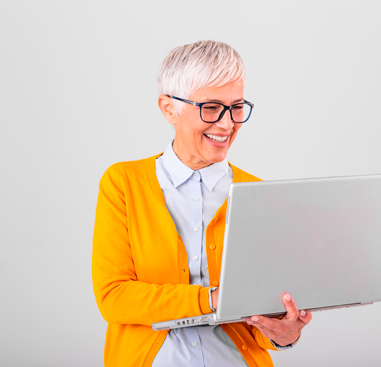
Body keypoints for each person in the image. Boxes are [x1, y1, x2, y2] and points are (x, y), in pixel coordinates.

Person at [92, 40, 312, 367]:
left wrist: (284, 334)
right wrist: (213, 299)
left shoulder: (257, 192)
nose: (227, 124)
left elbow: (263, 317)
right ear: (169, 108)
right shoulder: (124, 182)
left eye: (236, 107)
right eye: (211, 107)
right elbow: (115, 297)